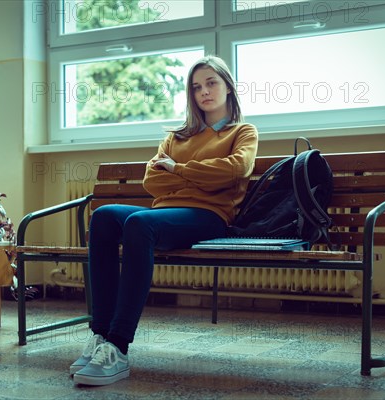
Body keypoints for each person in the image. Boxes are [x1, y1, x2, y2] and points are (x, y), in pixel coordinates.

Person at [71, 55, 259, 386]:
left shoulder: (242, 132)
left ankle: (118, 345)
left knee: (139, 224)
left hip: (210, 217)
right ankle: (100, 335)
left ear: (229, 87)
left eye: (211, 83)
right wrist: (199, 176)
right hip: (166, 213)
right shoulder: (176, 136)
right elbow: (151, 181)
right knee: (103, 217)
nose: (204, 92)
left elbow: (235, 169)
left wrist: (179, 170)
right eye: (197, 86)